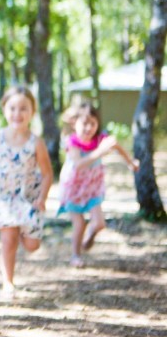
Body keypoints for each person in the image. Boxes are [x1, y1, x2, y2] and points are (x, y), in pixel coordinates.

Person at [0, 86, 52, 300]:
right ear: (4, 109)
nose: (17, 113)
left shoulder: (36, 143)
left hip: (27, 197)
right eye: (12, 108)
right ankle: (8, 283)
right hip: (2, 197)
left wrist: (42, 198)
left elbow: (48, 173)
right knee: (8, 239)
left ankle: (23, 231)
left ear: (32, 112)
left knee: (32, 245)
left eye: (24, 108)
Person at [58, 103, 139, 267]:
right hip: (73, 188)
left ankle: (90, 235)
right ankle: (75, 255)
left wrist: (130, 163)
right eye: (84, 123)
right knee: (79, 223)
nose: (88, 128)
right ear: (75, 124)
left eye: (93, 124)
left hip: (93, 188)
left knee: (99, 223)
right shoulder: (72, 142)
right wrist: (99, 152)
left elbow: (115, 144)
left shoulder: (100, 140)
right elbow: (79, 164)